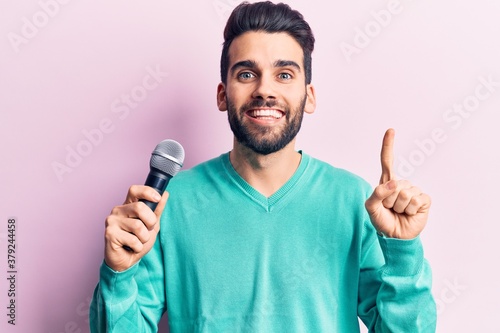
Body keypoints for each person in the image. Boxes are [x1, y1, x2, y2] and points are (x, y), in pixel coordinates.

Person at [90, 1, 437, 332]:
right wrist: (118, 274)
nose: (264, 90)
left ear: (309, 96)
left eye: (284, 74)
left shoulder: (354, 199)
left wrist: (403, 250)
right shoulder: (169, 203)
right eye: (246, 74)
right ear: (223, 94)